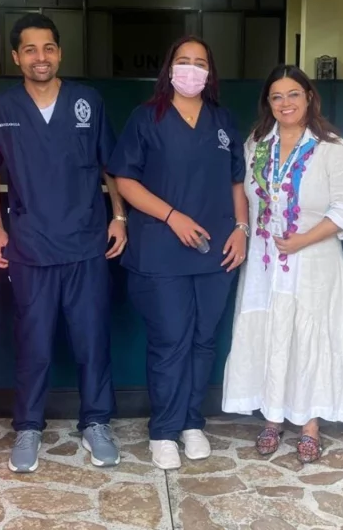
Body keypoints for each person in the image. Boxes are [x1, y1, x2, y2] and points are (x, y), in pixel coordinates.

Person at [0, 13, 127, 473]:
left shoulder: (88, 101)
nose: (39, 57)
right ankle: (28, 427)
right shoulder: (2, 110)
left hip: (86, 243)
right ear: (15, 57)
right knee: (33, 342)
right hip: (29, 245)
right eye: (29, 49)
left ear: (59, 53)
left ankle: (96, 423)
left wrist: (119, 217)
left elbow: (112, 166)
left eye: (47, 48)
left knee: (91, 340)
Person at [107, 35, 248, 470]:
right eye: (183, 61)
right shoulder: (146, 118)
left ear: (211, 72)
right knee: (171, 340)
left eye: (200, 62)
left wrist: (242, 228)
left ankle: (191, 422)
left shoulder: (223, 121)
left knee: (204, 340)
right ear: (169, 68)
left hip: (216, 252)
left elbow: (235, 182)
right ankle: (164, 430)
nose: (191, 70)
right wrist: (172, 217)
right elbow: (124, 179)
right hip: (161, 251)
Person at [221, 65, 343, 464]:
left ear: (309, 97)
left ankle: (309, 425)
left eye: (293, 95)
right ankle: (271, 418)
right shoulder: (256, 144)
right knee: (269, 330)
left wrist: (304, 238)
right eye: (276, 97)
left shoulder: (332, 147)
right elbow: (245, 197)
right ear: (268, 103)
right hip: (266, 265)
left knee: (310, 337)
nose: (285, 104)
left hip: (315, 261)